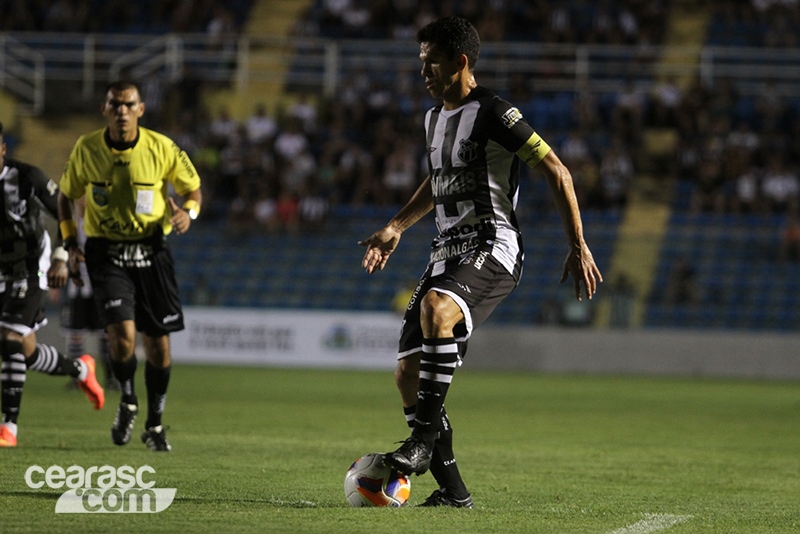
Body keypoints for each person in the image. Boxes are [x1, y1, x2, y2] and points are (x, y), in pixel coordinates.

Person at [359, 17, 602, 508]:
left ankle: (423, 443)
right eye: (420, 61)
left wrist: (577, 245)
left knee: (436, 308)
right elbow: (438, 180)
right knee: (408, 373)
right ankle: (454, 494)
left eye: (432, 62)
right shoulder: (433, 119)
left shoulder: (496, 112)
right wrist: (396, 227)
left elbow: (557, 170)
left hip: (493, 245)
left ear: (461, 62)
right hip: (444, 251)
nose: (423, 70)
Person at [57, 81, 202, 452]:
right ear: (105, 109)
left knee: (158, 347)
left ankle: (154, 424)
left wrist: (189, 213)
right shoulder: (87, 148)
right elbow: (65, 196)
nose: (121, 111)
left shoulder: (162, 147)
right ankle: (127, 399)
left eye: (128, 105)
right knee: (122, 335)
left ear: (140, 109)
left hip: (152, 251)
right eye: (115, 105)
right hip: (107, 252)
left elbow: (193, 190)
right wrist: (71, 244)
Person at [0, 122, 105, 448]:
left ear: (3, 149)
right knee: (25, 351)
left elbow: (65, 210)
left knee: (9, 337)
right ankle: (80, 369)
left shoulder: (26, 177)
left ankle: (9, 428)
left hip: (31, 265)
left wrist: (62, 257)